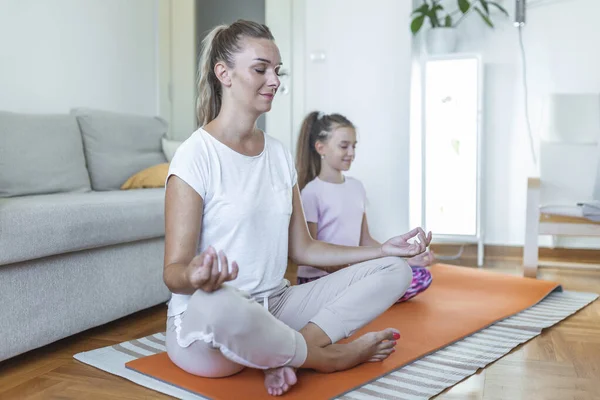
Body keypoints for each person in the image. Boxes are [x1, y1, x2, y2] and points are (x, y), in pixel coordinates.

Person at [163, 19, 432, 397]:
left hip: (277, 305)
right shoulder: (194, 156)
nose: (274, 80)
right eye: (261, 69)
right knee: (221, 302)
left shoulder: (276, 153)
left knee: (395, 270)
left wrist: (381, 249)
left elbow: (303, 249)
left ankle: (291, 353)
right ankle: (329, 357)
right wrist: (194, 275)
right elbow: (172, 273)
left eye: (277, 70)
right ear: (223, 73)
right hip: (209, 328)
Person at [295, 111, 434, 303]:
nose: (351, 153)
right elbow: (307, 251)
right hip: (319, 279)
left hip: (353, 271)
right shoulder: (311, 193)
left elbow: (365, 239)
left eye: (354, 146)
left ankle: (361, 298)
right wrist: (351, 271)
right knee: (388, 280)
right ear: (321, 148)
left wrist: (405, 258)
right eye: (344, 146)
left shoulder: (357, 187)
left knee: (418, 274)